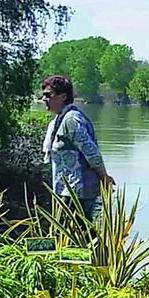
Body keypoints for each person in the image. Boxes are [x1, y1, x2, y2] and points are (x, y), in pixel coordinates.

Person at [41, 75, 113, 221]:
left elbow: (91, 152)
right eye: (43, 95)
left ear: (63, 96)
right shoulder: (59, 119)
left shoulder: (72, 120)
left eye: (48, 95)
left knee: (77, 237)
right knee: (66, 237)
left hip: (77, 193)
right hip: (66, 192)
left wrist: (105, 178)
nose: (44, 99)